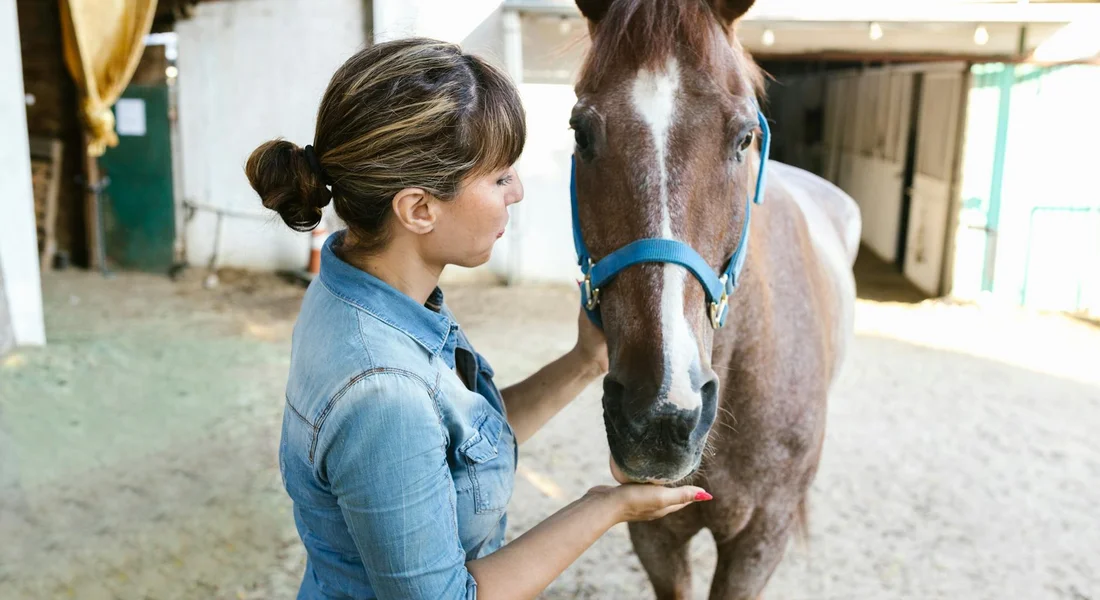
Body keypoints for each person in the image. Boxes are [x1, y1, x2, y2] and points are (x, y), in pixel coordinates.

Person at [245, 37, 711, 600]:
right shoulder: (382, 393)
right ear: (419, 209)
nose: (515, 191)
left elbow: (454, 447)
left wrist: (585, 362)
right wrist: (604, 508)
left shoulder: (361, 284)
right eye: (497, 177)